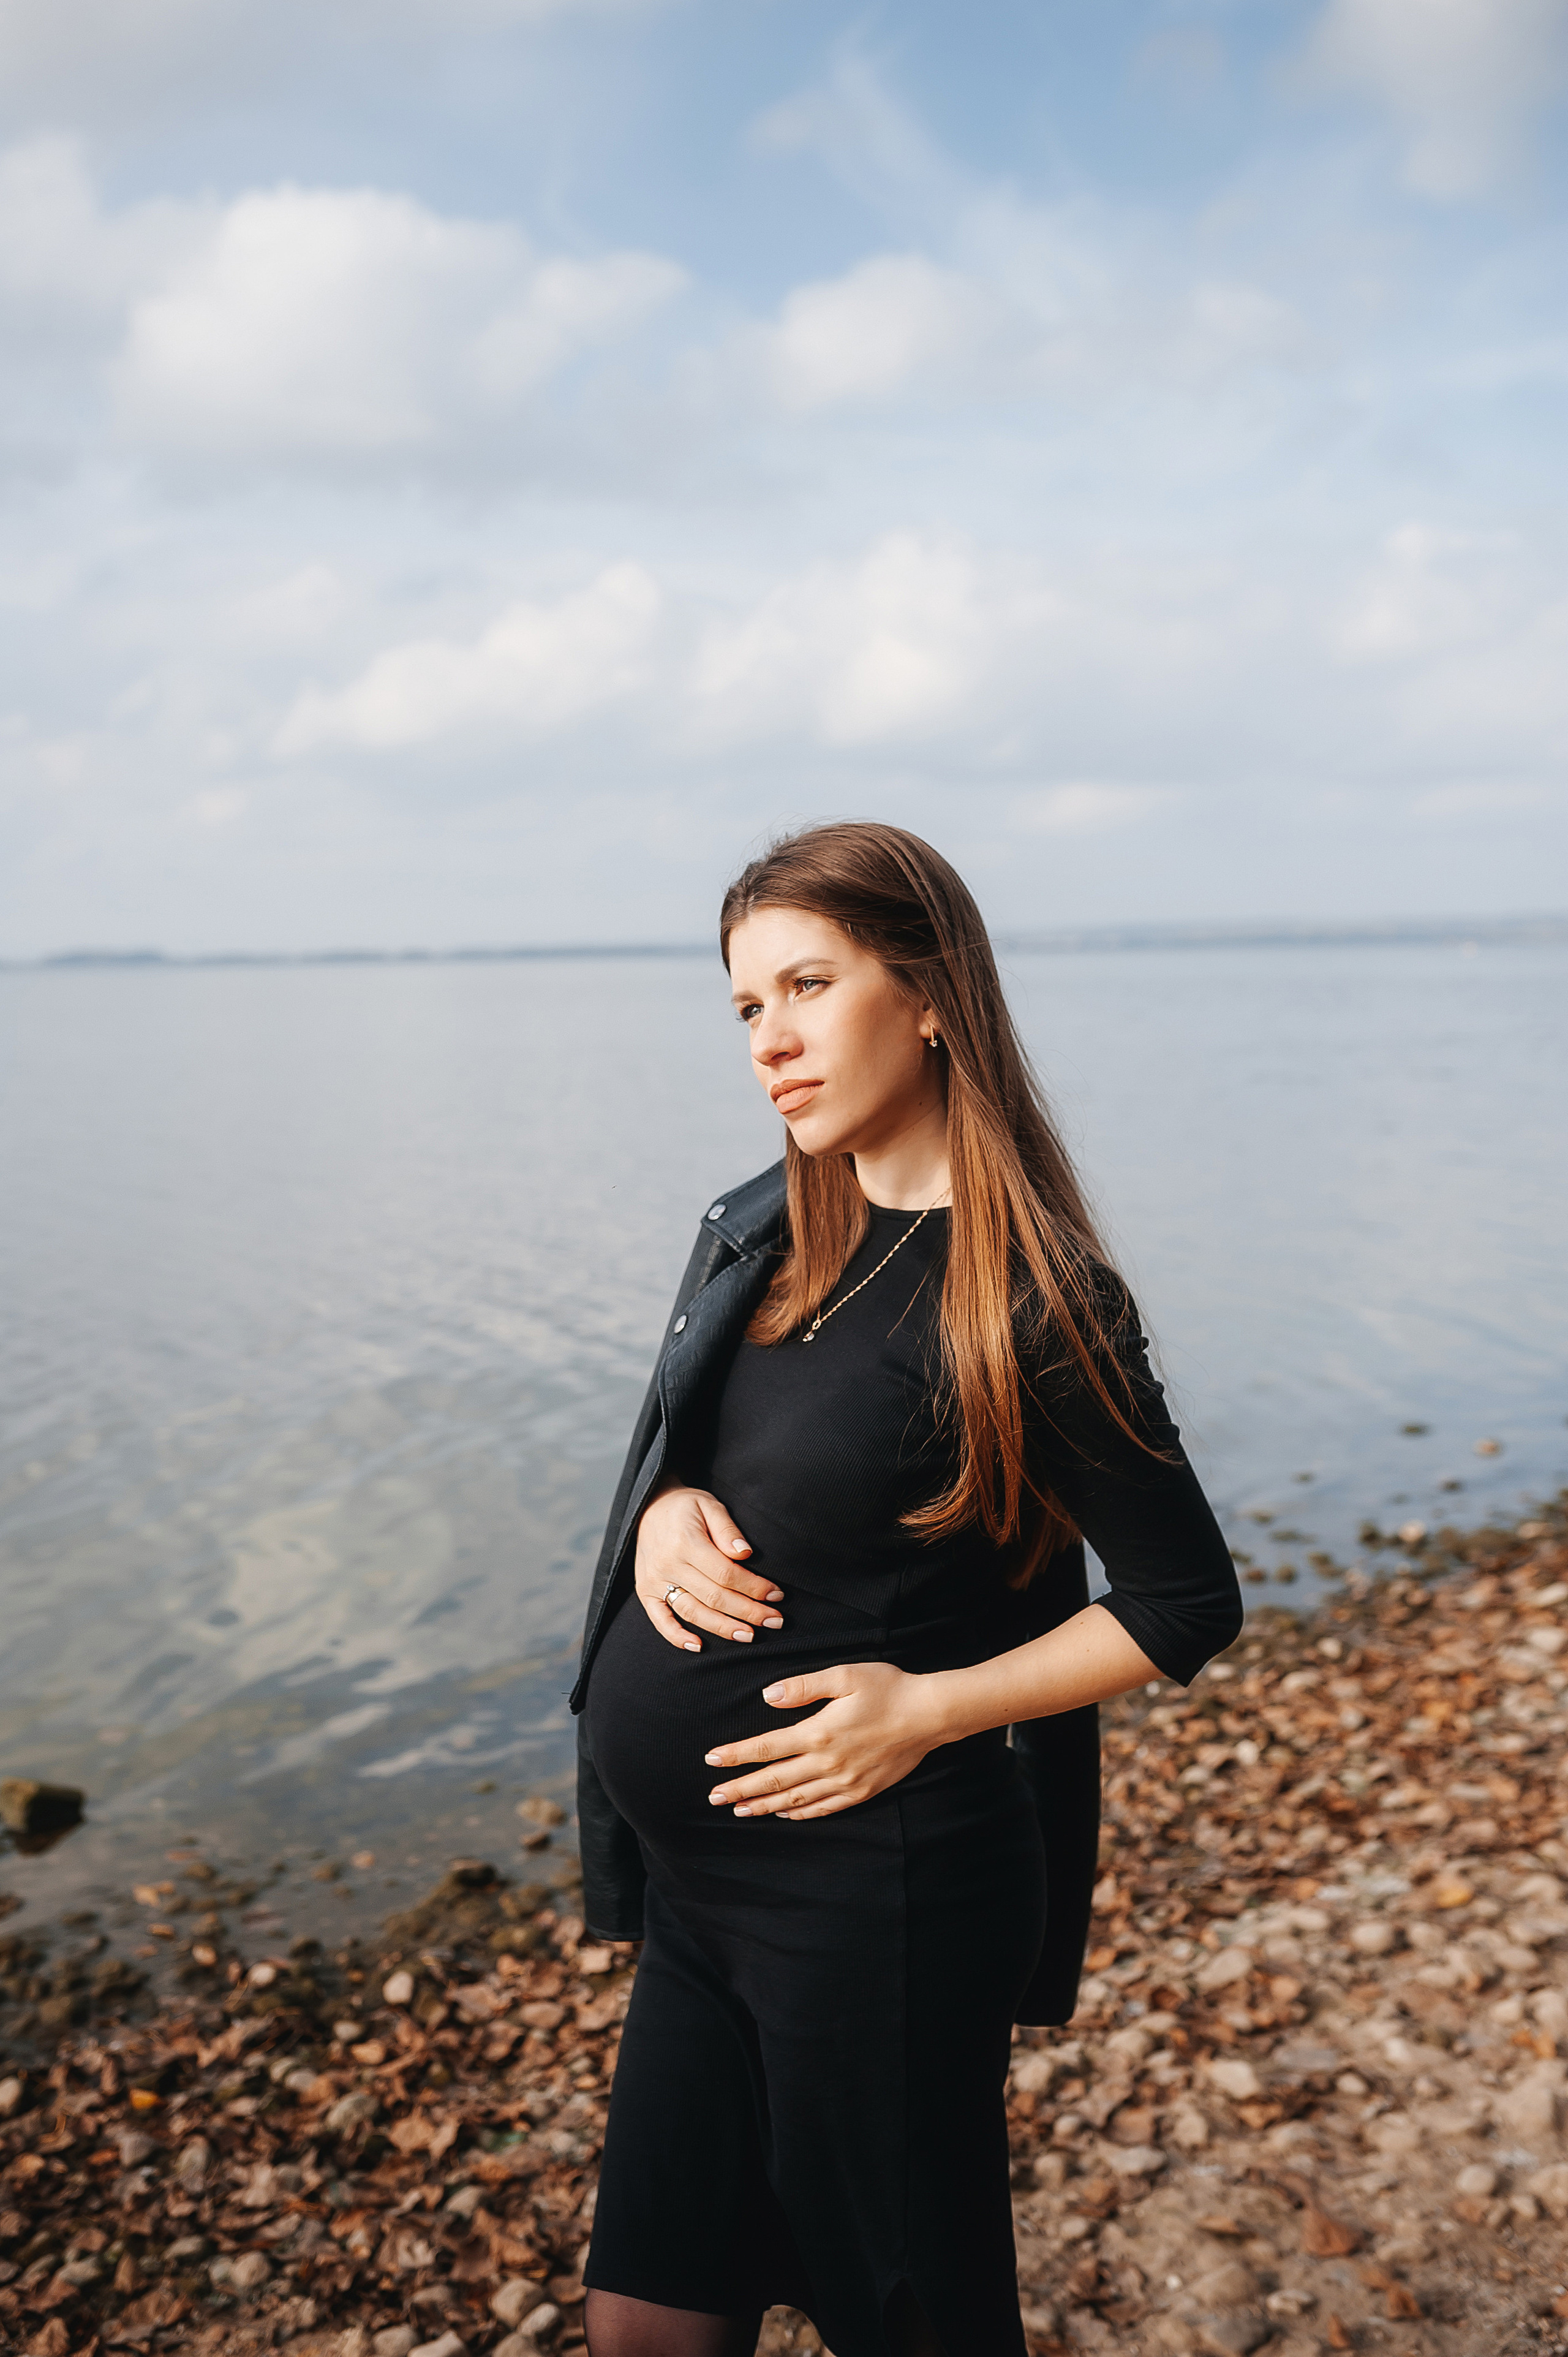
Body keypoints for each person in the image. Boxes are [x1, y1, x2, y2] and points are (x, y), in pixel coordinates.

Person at [571, 822, 1243, 2357]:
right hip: (705, 1898)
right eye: (746, 1007)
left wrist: (925, 1709)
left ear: (930, 990)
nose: (773, 1039)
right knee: (644, 2326)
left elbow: (1182, 1599)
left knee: (914, 2321)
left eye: (808, 984)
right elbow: (713, 1463)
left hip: (872, 1898)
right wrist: (667, 1511)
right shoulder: (765, 1227)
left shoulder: (1029, 1292)